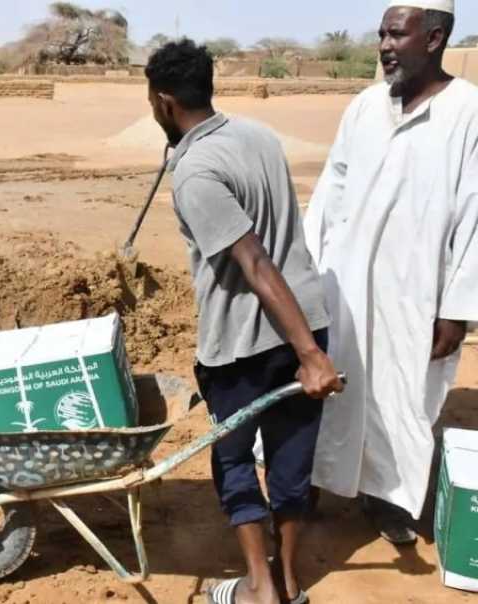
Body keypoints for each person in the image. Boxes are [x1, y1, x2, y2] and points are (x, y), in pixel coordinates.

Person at [145, 39, 343, 604]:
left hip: (244, 346)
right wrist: (309, 345)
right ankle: (291, 581)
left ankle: (260, 587)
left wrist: (308, 355)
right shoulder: (258, 135)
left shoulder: (196, 173)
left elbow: (254, 262)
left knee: (233, 458)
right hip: (308, 318)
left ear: (163, 101)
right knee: (290, 460)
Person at [304, 0, 478, 544]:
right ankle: (308, 482)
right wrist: (307, 276)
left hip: (418, 293)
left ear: (434, 38)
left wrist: (458, 309)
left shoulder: (468, 112)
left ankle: (388, 498)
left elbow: (476, 216)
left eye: (396, 35)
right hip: (345, 285)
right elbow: (330, 190)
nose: (383, 46)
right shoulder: (363, 106)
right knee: (330, 384)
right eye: (381, 33)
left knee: (404, 397)